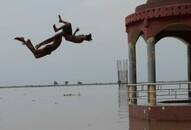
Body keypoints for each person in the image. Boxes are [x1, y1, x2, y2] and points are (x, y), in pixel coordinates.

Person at [15, 15, 92, 59]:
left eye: (84, 36)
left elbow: (72, 39)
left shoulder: (79, 39)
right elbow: (51, 39)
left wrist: (40, 44)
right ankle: (26, 41)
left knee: (36, 55)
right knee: (36, 55)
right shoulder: (62, 36)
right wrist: (40, 44)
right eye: (84, 35)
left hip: (56, 44)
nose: (83, 35)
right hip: (56, 44)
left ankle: (27, 41)